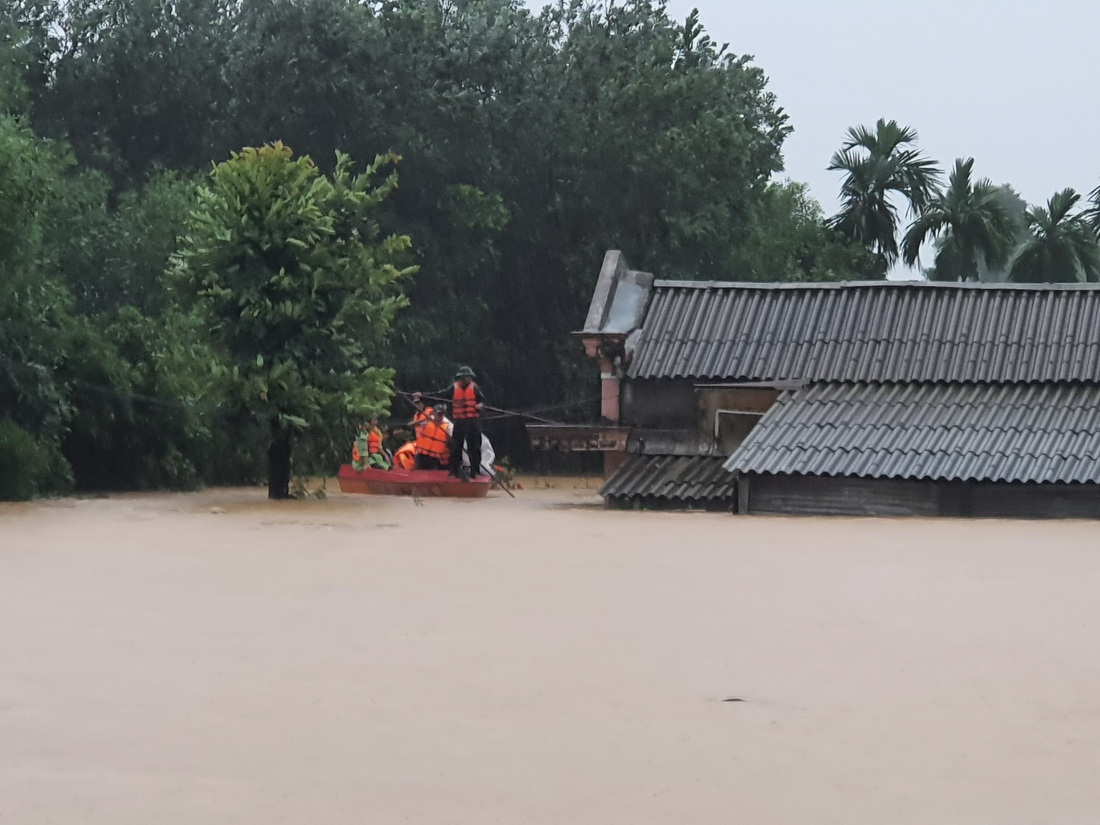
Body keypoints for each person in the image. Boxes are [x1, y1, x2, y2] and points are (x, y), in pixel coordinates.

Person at [413, 404, 451, 470]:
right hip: (421, 455)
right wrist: (425, 419)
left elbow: (450, 442)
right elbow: (411, 426)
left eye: (442, 414)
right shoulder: (426, 422)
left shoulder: (447, 427)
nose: (440, 416)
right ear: (433, 413)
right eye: (439, 414)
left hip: (435, 459)